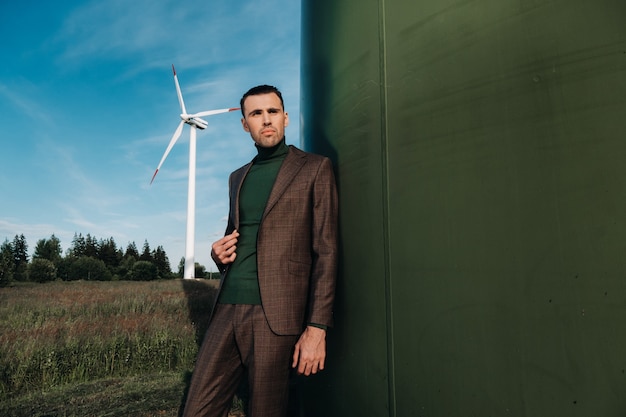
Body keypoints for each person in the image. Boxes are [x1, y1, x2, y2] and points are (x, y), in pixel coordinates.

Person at [182, 84, 338, 417]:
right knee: (197, 409)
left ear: (285, 118)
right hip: (226, 307)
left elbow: (326, 252)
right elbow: (234, 236)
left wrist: (317, 328)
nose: (265, 120)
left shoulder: (315, 168)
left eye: (272, 112)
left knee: (266, 410)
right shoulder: (237, 177)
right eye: (256, 114)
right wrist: (217, 255)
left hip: (276, 313)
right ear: (244, 124)